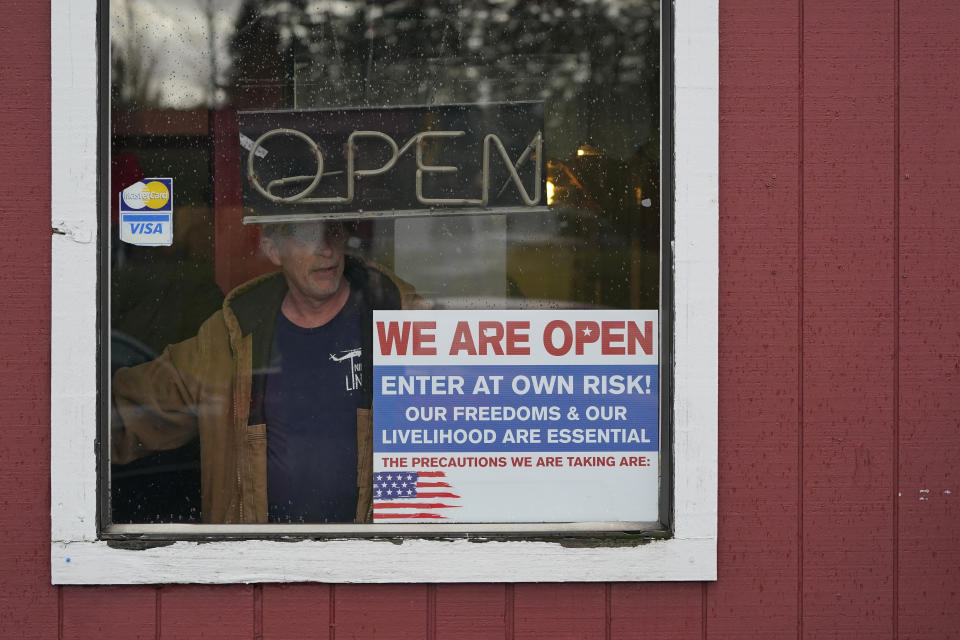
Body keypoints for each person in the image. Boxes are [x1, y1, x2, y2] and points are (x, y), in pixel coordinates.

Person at [111, 220, 418, 524]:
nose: (326, 249)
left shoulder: (402, 318)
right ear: (273, 250)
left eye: (333, 232)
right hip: (261, 562)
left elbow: (455, 422)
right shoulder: (231, 336)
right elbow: (125, 413)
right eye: (306, 235)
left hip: (376, 561)